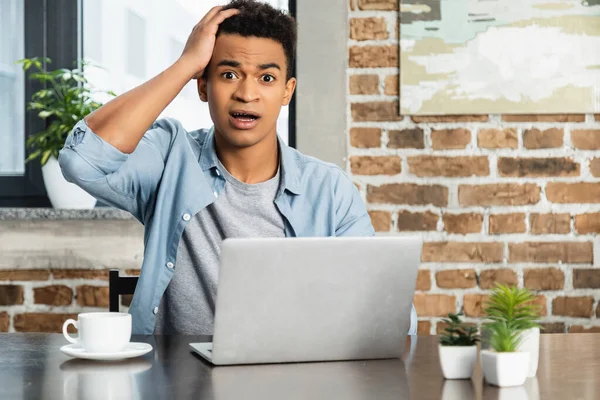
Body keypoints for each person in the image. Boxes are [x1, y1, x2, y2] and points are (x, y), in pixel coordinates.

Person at [59, 0, 417, 335]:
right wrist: (185, 65)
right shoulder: (169, 156)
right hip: (169, 383)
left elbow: (388, 313)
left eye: (266, 78)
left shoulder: (330, 190)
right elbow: (82, 160)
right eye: (229, 74)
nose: (247, 94)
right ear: (204, 85)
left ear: (287, 91)